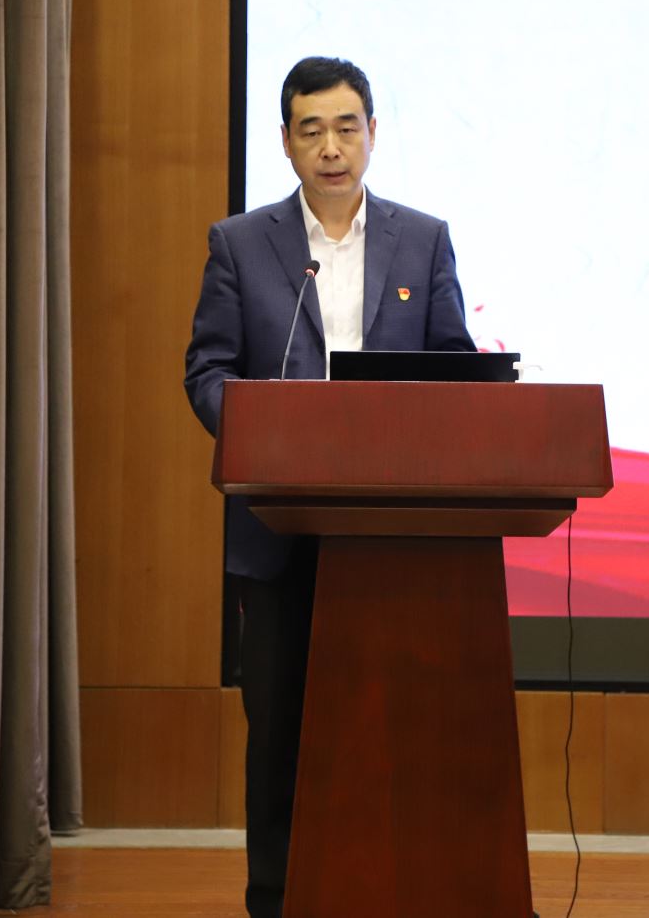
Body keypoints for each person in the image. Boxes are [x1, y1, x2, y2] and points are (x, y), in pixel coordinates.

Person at [184, 56, 476, 918]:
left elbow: (453, 365)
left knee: (389, 730)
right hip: (278, 530)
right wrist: (258, 432)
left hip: (392, 538)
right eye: (311, 130)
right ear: (285, 142)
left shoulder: (423, 240)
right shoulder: (240, 243)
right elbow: (207, 369)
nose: (331, 148)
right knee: (278, 732)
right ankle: (275, 902)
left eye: (347, 127)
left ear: (372, 134)